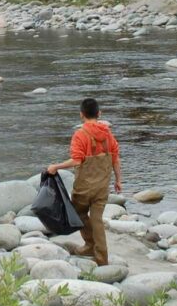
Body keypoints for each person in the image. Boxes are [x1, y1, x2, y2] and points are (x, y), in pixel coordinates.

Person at [47, 98, 122, 266]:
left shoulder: (80, 135)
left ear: (81, 115)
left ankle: (89, 244)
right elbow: (116, 159)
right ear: (99, 114)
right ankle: (102, 259)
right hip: (102, 186)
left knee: (78, 213)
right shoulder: (108, 135)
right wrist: (118, 180)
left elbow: (77, 161)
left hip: (84, 188)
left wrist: (56, 167)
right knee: (97, 219)